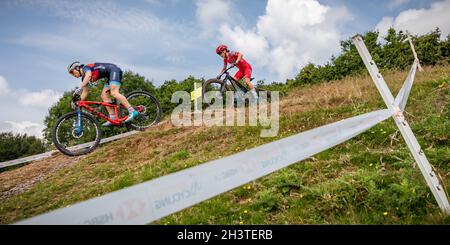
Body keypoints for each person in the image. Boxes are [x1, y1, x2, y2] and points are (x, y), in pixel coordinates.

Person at [67, 61, 138, 126]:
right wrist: (77, 101)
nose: (73, 75)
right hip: (109, 76)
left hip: (114, 70)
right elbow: (85, 92)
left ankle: (132, 111)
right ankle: (113, 117)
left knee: (114, 93)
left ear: (77, 68)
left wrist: (80, 87)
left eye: (72, 72)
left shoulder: (86, 68)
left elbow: (88, 75)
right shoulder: (83, 79)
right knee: (104, 96)